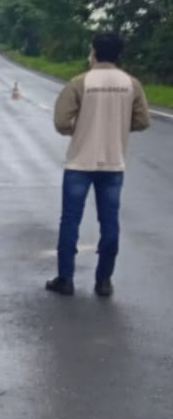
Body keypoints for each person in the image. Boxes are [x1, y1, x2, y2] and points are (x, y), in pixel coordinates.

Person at [46, 32, 150, 297]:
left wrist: (77, 129)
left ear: (93, 52)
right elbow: (142, 121)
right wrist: (116, 125)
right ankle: (104, 280)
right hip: (113, 163)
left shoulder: (81, 82)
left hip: (80, 161)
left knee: (70, 220)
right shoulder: (131, 84)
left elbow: (60, 121)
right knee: (110, 222)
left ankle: (65, 279)